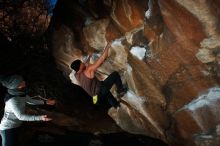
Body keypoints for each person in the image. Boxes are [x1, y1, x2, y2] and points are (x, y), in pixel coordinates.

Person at [0, 75, 56, 146]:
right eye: (21, 82)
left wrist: (46, 102)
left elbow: (30, 101)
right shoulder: (13, 100)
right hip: (8, 128)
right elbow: (21, 116)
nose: (24, 81)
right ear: (16, 85)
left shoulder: (19, 93)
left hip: (16, 125)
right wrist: (40, 118)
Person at [70, 42, 126, 109]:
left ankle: (116, 105)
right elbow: (101, 59)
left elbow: (85, 64)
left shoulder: (76, 74)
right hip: (100, 92)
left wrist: (89, 57)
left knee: (105, 89)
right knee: (115, 74)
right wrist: (107, 47)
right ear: (80, 67)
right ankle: (121, 91)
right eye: (81, 63)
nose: (83, 63)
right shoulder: (88, 71)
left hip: (95, 97)